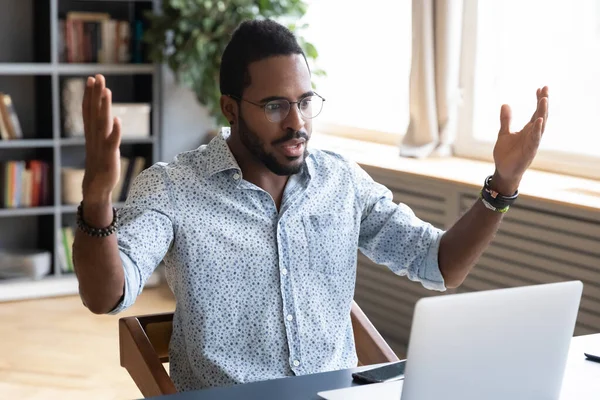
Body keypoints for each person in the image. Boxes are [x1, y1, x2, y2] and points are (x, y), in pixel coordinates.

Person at [73, 19, 549, 392]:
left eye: (305, 101)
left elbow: (440, 264)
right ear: (231, 108)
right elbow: (105, 295)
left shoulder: (340, 180)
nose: (297, 122)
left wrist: (502, 185)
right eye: (276, 105)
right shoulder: (174, 188)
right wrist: (97, 202)